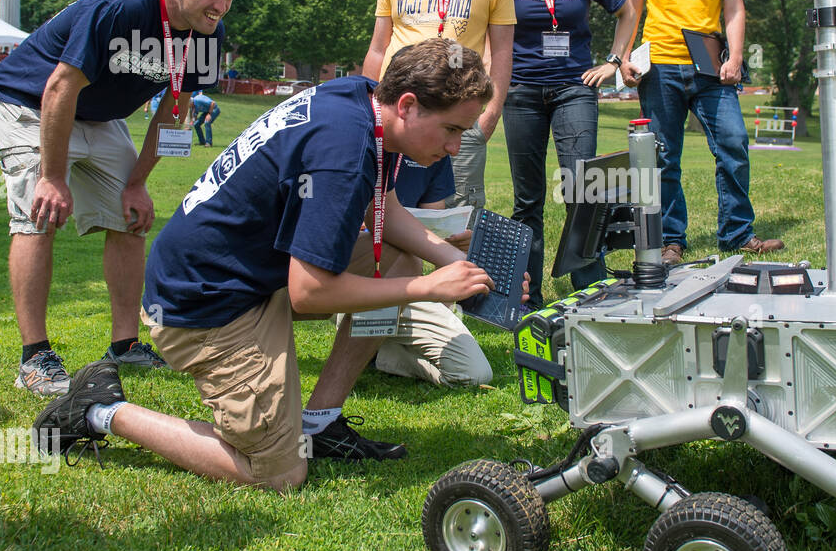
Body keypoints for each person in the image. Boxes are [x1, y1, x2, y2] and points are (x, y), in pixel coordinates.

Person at [33, 39, 498, 489]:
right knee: (276, 472)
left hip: (250, 272)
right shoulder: (343, 153)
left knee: (396, 261)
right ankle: (99, 409)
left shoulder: (363, 99)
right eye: (453, 129)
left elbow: (388, 211)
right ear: (410, 105)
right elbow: (311, 292)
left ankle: (319, 424)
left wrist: (457, 261)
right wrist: (429, 288)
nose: (456, 148)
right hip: (207, 303)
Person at [0, 0, 240, 397]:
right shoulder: (121, 7)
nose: (220, 6)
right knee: (37, 217)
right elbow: (59, 88)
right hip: (31, 103)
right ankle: (34, 357)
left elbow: (173, 111)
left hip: (98, 116)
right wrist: (52, 177)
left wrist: (137, 183)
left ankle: (124, 344)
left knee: (131, 219)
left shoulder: (207, 32)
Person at [618, 0, 784, 265]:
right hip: (660, 67)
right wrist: (621, 56)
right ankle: (672, 239)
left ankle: (737, 233)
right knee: (663, 156)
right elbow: (631, 7)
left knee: (733, 143)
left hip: (711, 68)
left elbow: (735, 7)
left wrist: (737, 57)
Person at [502, 0, 637, 307]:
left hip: (574, 89)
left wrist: (613, 61)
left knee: (583, 187)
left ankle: (590, 287)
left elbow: (627, 11)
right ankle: (526, 296)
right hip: (521, 91)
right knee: (528, 199)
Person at [361, 0, 516, 211]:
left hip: (459, 118)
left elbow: (502, 52)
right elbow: (378, 47)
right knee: (383, 214)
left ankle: (459, 267)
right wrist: (368, 109)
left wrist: (488, 115)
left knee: (459, 220)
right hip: (400, 114)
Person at [371, 150, 492, 387]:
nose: (456, 147)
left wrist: (456, 245)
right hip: (363, 282)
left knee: (473, 372)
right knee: (471, 372)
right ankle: (367, 340)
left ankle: (373, 349)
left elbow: (432, 227)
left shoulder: (437, 152)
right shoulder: (364, 145)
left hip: (408, 282)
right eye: (451, 129)